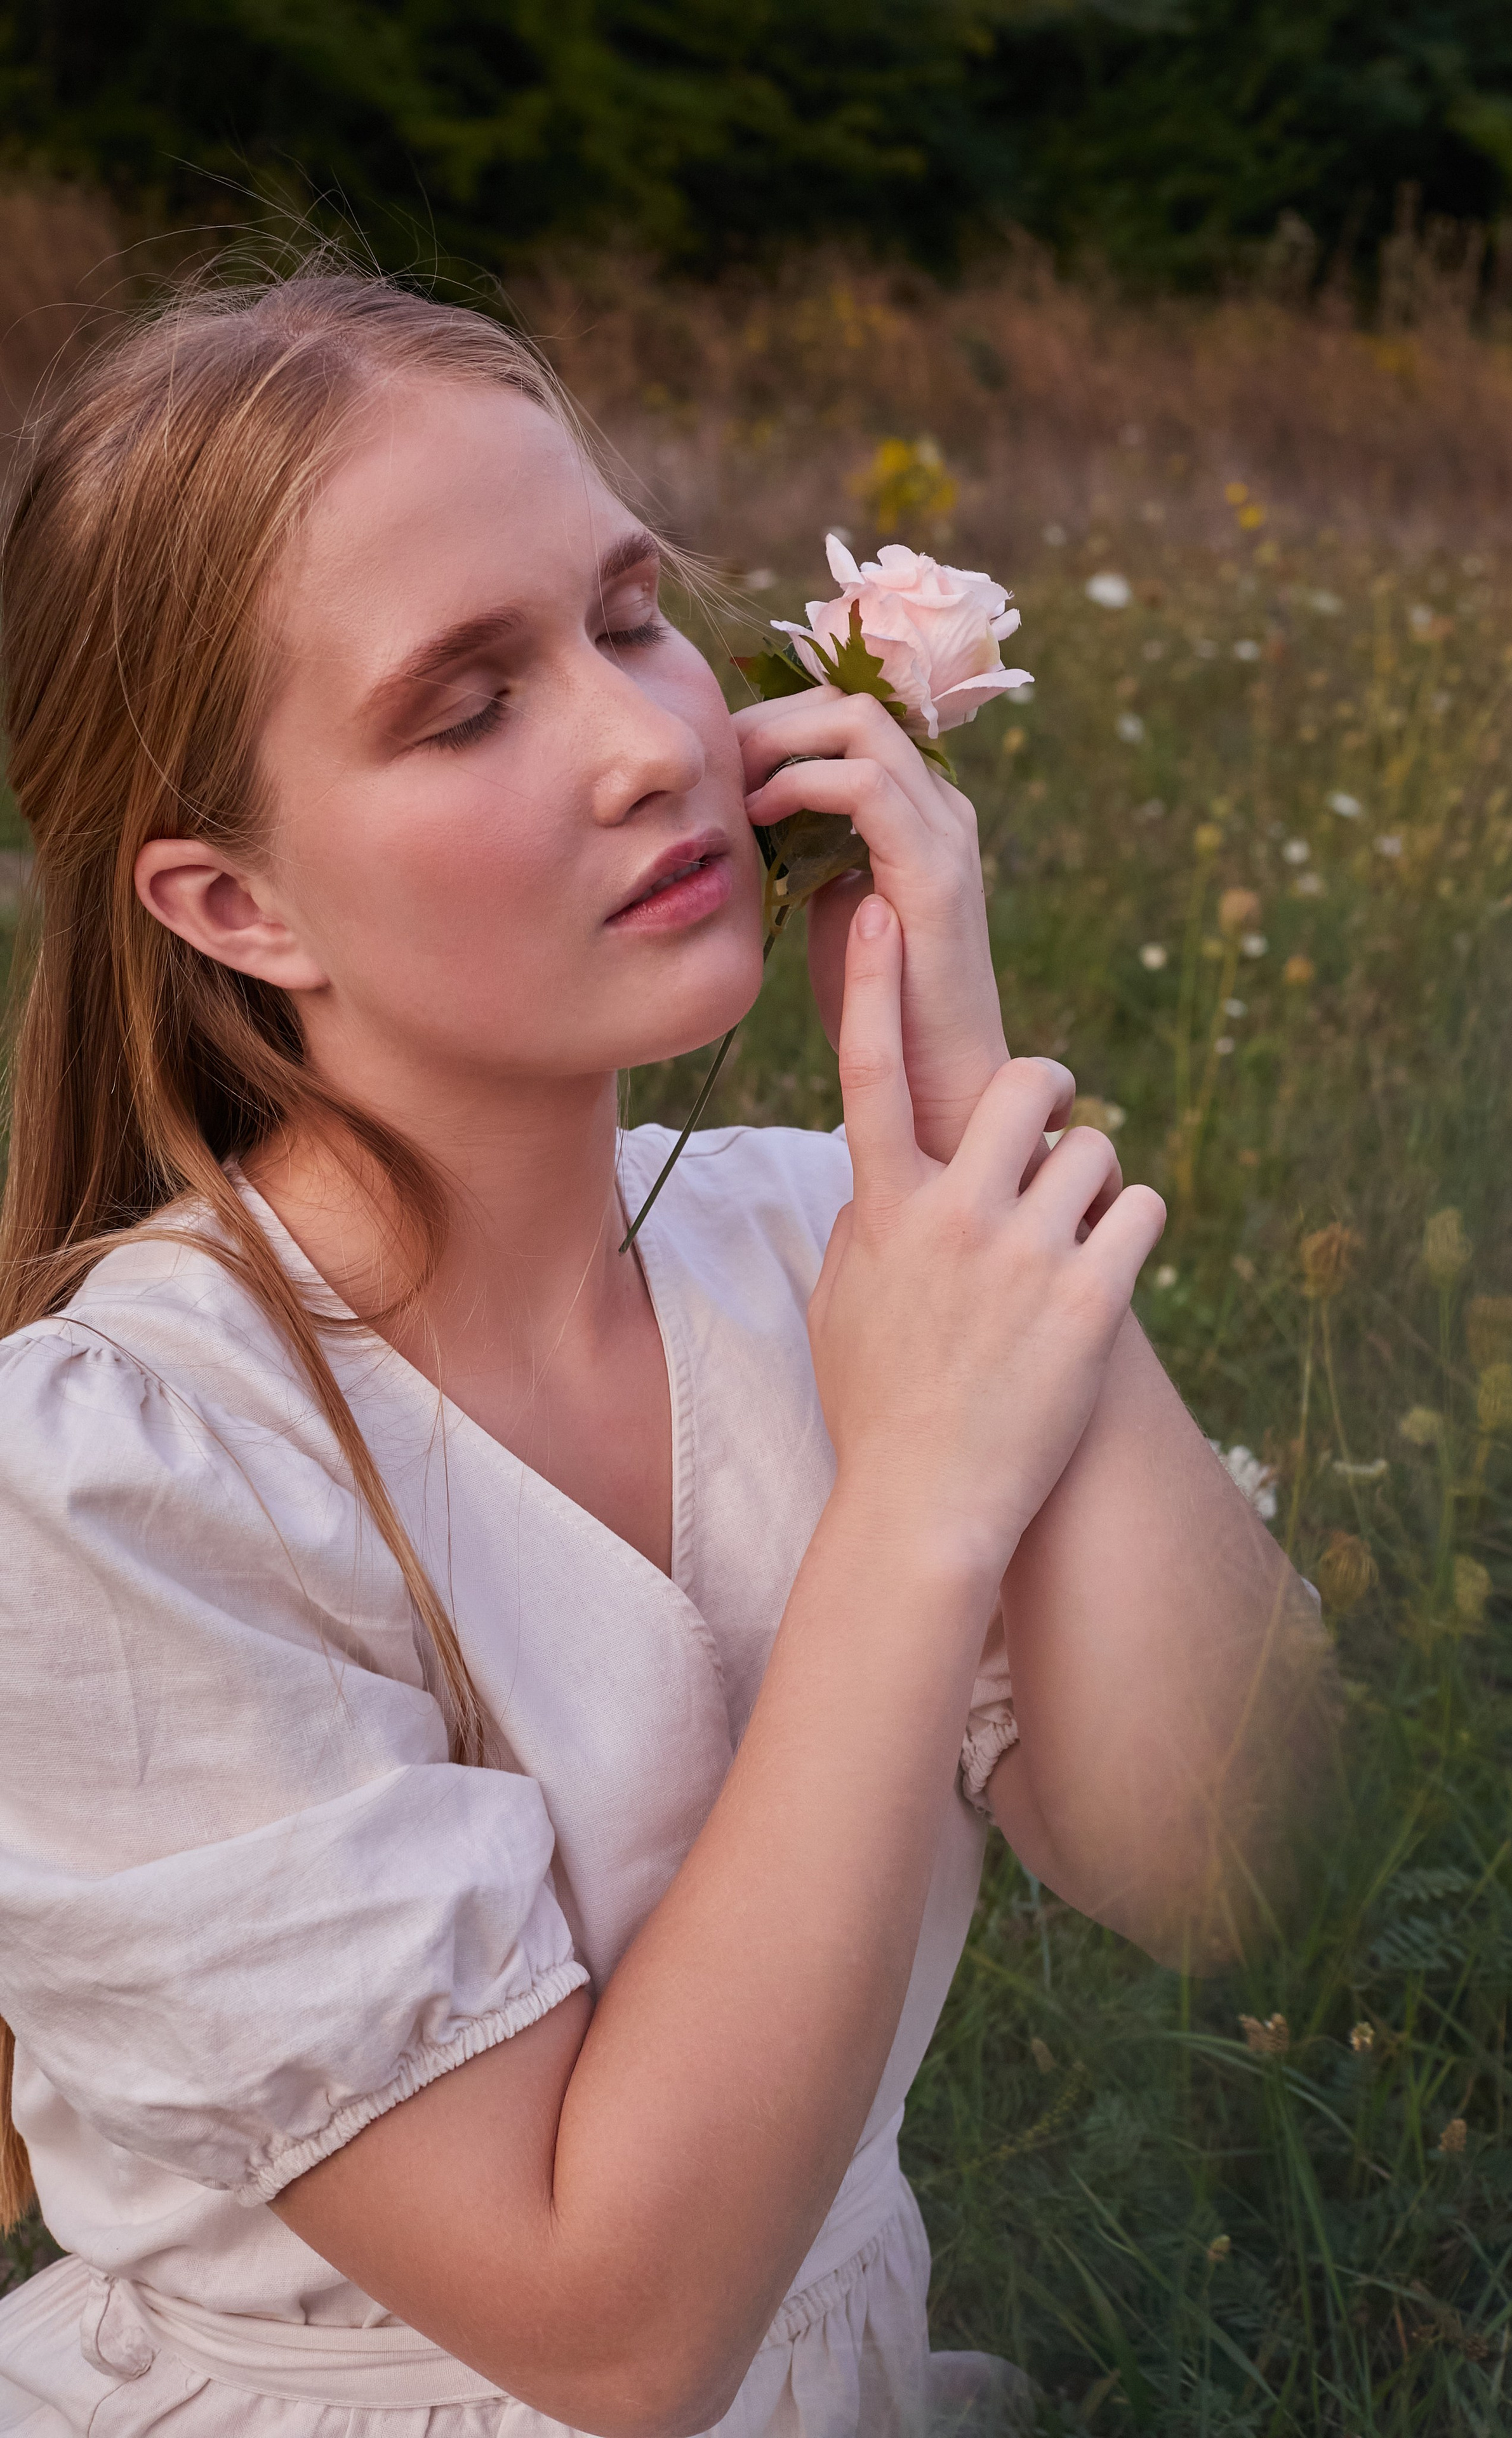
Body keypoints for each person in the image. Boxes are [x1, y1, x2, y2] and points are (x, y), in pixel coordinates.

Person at [0, 269, 1329, 2438]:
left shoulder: (831, 1244)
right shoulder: (115, 1471)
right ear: (238, 909)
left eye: (628, 617)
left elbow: (1229, 1862)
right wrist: (916, 1493)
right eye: (464, 706)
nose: (651, 742)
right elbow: (613, 2329)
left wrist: (955, 1101)